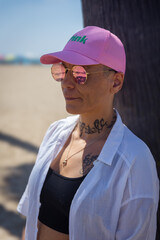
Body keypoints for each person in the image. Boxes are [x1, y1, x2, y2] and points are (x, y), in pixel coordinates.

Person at [17, 26, 159, 240]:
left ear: (116, 82)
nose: (66, 82)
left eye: (80, 73)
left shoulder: (134, 160)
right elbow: (32, 217)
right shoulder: (55, 132)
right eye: (62, 70)